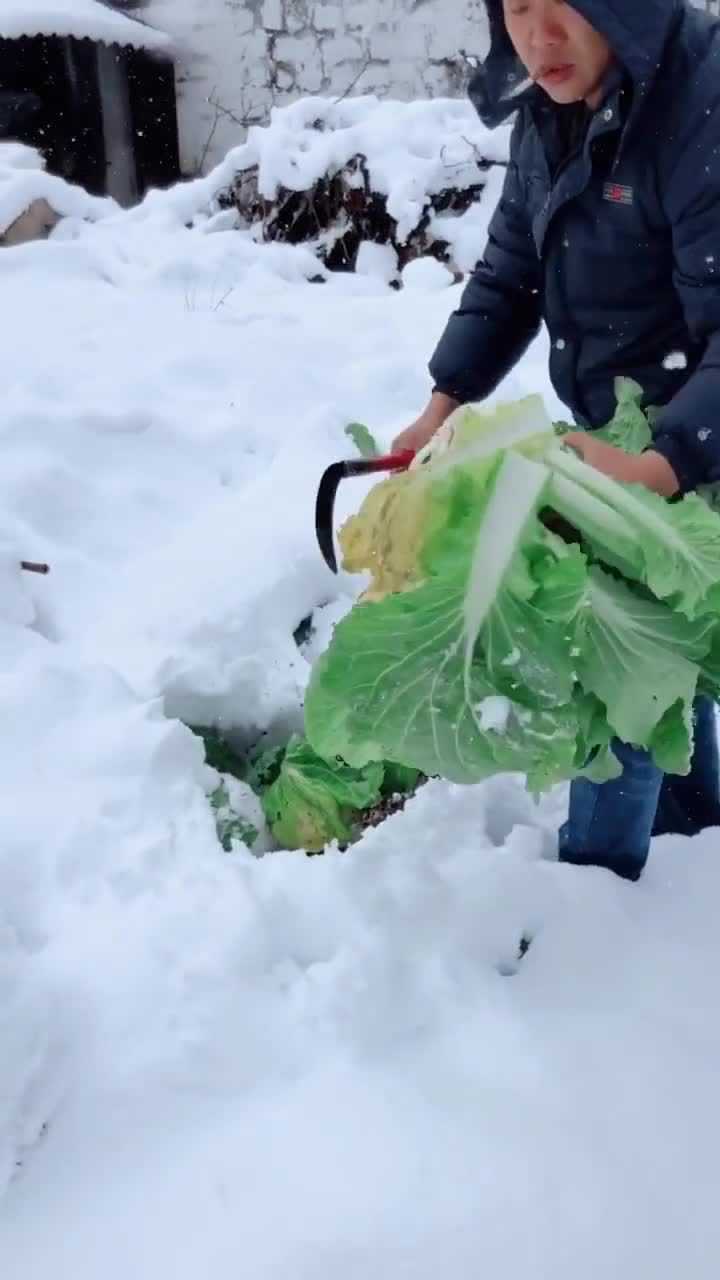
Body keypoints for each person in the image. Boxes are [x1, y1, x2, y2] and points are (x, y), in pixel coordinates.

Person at [393, 0, 720, 882]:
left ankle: (597, 898)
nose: (536, 40)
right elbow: (511, 269)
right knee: (668, 647)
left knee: (622, 671)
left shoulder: (700, 101)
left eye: (562, 6)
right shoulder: (553, 106)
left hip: (699, 432)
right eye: (517, 8)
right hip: (622, 430)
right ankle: (694, 836)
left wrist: (661, 464)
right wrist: (443, 402)